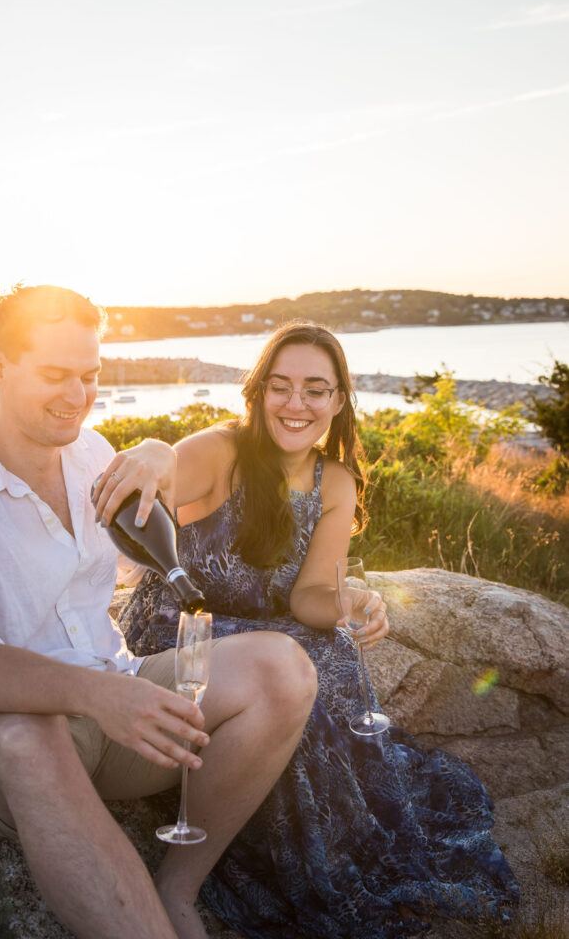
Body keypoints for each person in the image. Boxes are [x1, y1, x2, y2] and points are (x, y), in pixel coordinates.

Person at [0, 285, 318, 939]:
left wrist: (157, 450)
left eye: (90, 376)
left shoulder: (90, 452)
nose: (77, 396)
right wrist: (97, 695)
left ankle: (177, 887)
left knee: (281, 669)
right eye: (55, 376)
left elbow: (171, 518)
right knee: (31, 735)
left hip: (107, 703)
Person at [111, 321, 520, 939]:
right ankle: (209, 869)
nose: (295, 404)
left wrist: (350, 600)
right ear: (258, 392)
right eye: (280, 386)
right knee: (304, 675)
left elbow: (308, 598)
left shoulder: (336, 482)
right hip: (182, 629)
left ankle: (312, 841)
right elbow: (167, 466)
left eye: (314, 389)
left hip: (268, 631)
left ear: (338, 400)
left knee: (333, 651)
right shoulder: (224, 451)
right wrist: (149, 446)